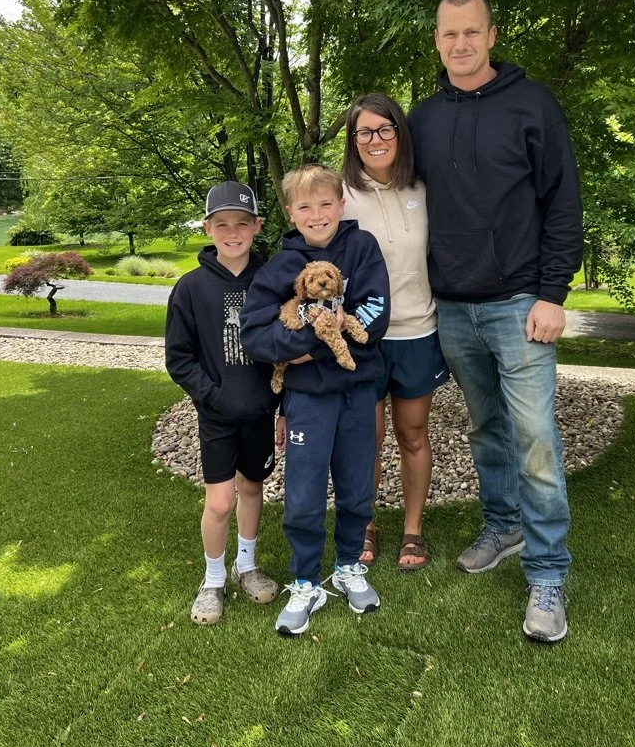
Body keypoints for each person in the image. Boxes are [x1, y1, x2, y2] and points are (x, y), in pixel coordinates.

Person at [407, 0, 583, 643]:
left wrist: (552, 293)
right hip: (452, 307)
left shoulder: (532, 106)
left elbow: (563, 203)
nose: (460, 44)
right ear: (437, 40)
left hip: (519, 305)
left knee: (536, 439)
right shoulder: (422, 120)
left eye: (471, 32)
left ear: (492, 34)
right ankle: (504, 526)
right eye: (449, 34)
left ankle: (547, 574)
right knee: (486, 431)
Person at [240, 164, 390, 637]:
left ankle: (348, 567)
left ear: (342, 206)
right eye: (305, 206)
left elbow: (375, 313)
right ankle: (306, 581)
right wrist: (305, 348)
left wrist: (324, 343)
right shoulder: (280, 268)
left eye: (326, 203)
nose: (318, 214)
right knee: (303, 496)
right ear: (291, 213)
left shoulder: (362, 248)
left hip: (357, 391)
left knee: (356, 487)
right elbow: (256, 334)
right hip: (306, 400)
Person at [165, 180, 284, 626]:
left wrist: (283, 407)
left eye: (241, 223)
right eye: (221, 225)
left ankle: (246, 565)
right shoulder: (191, 288)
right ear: (208, 228)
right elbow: (179, 358)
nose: (232, 232)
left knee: (253, 489)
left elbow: (286, 349)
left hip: (260, 411)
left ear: (256, 226)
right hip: (217, 415)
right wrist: (213, 397)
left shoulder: (272, 280)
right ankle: (213, 578)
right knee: (219, 503)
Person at [341, 92, 449, 571]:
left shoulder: (423, 189)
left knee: (412, 433)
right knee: (368, 435)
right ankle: (364, 523)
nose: (375, 139)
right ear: (353, 140)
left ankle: (412, 530)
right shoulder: (340, 196)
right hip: (363, 336)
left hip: (417, 331)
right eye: (364, 131)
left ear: (400, 134)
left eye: (385, 129)